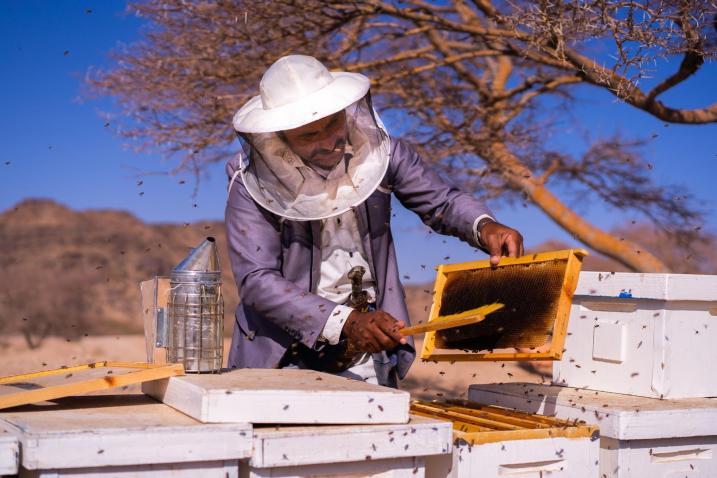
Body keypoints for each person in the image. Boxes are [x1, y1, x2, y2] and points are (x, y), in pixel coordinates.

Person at [225, 55, 523, 387]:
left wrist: (484, 226)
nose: (328, 141)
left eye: (332, 124)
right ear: (280, 136)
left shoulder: (383, 153)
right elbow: (256, 279)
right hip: (283, 352)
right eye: (309, 135)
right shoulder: (250, 182)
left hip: (370, 341)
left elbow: (442, 200)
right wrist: (345, 321)